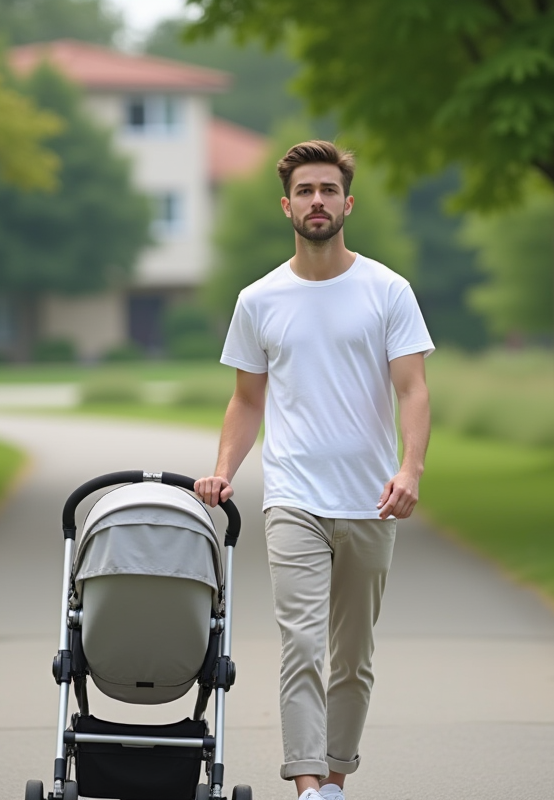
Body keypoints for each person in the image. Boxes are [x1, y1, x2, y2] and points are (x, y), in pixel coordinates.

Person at [195, 140, 433, 800]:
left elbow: (412, 389)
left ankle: (334, 778)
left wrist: (410, 470)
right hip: (293, 498)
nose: (317, 201)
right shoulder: (259, 299)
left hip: (369, 501)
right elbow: (247, 400)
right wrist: (222, 470)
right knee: (301, 645)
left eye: (328, 190)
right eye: (305, 191)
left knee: (352, 659)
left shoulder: (388, 291)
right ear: (287, 206)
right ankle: (306, 787)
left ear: (347, 202)